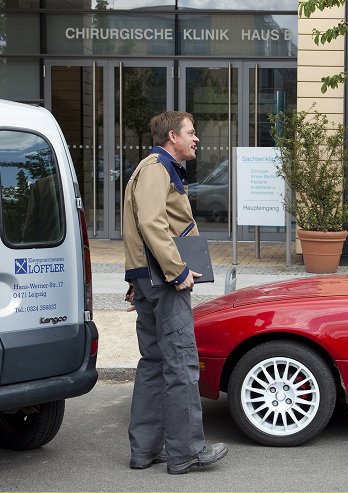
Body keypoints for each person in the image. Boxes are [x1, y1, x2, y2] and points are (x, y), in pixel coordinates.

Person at [123, 111, 228, 475]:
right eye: (191, 132)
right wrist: (177, 270)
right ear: (172, 136)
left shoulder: (150, 168)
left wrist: (135, 279)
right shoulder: (157, 168)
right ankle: (186, 453)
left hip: (149, 279)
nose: (196, 138)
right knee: (182, 365)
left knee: (153, 364)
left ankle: (145, 452)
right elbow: (151, 222)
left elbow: (140, 226)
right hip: (166, 282)